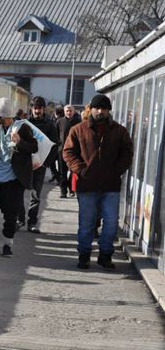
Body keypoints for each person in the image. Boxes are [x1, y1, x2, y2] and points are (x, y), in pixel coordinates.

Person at [63, 94, 133, 270]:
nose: (100, 111)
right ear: (91, 109)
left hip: (111, 185)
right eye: (97, 108)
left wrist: (116, 170)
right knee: (87, 221)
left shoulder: (119, 131)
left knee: (111, 222)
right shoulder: (78, 130)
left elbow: (127, 153)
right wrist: (82, 170)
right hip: (87, 184)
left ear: (109, 110)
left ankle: (105, 255)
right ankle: (84, 255)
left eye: (104, 108)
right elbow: (68, 152)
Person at [0, 97, 38, 257]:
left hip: (13, 180)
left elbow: (34, 147)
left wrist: (19, 142)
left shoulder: (22, 128)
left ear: (6, 116)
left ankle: (7, 245)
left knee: (10, 215)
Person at [21, 96, 58, 234]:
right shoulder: (25, 123)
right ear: (31, 108)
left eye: (40, 108)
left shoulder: (50, 125)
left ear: (43, 109)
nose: (37, 111)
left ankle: (32, 223)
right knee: (18, 194)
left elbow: (55, 146)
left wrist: (45, 163)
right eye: (35, 108)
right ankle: (20, 219)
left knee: (35, 195)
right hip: (24, 165)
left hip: (40, 166)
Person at [56, 104, 81, 198]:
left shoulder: (78, 122)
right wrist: (59, 144)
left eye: (70, 110)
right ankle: (63, 191)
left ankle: (71, 189)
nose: (69, 112)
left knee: (73, 171)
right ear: (64, 111)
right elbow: (56, 134)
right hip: (62, 150)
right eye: (67, 111)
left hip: (75, 151)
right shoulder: (60, 121)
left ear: (74, 111)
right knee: (62, 172)